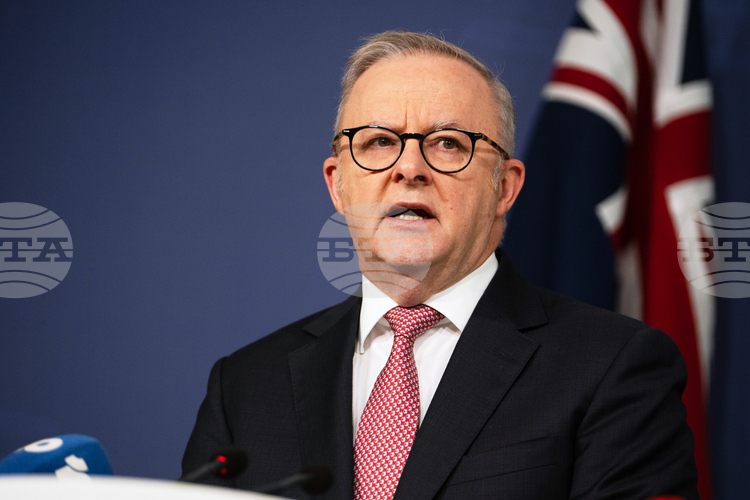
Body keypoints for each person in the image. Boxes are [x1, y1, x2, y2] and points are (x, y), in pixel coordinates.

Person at [183, 31, 699, 499]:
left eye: (449, 144)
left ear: (504, 188)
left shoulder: (613, 366)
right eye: (379, 142)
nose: (409, 168)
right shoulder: (245, 386)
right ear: (338, 184)